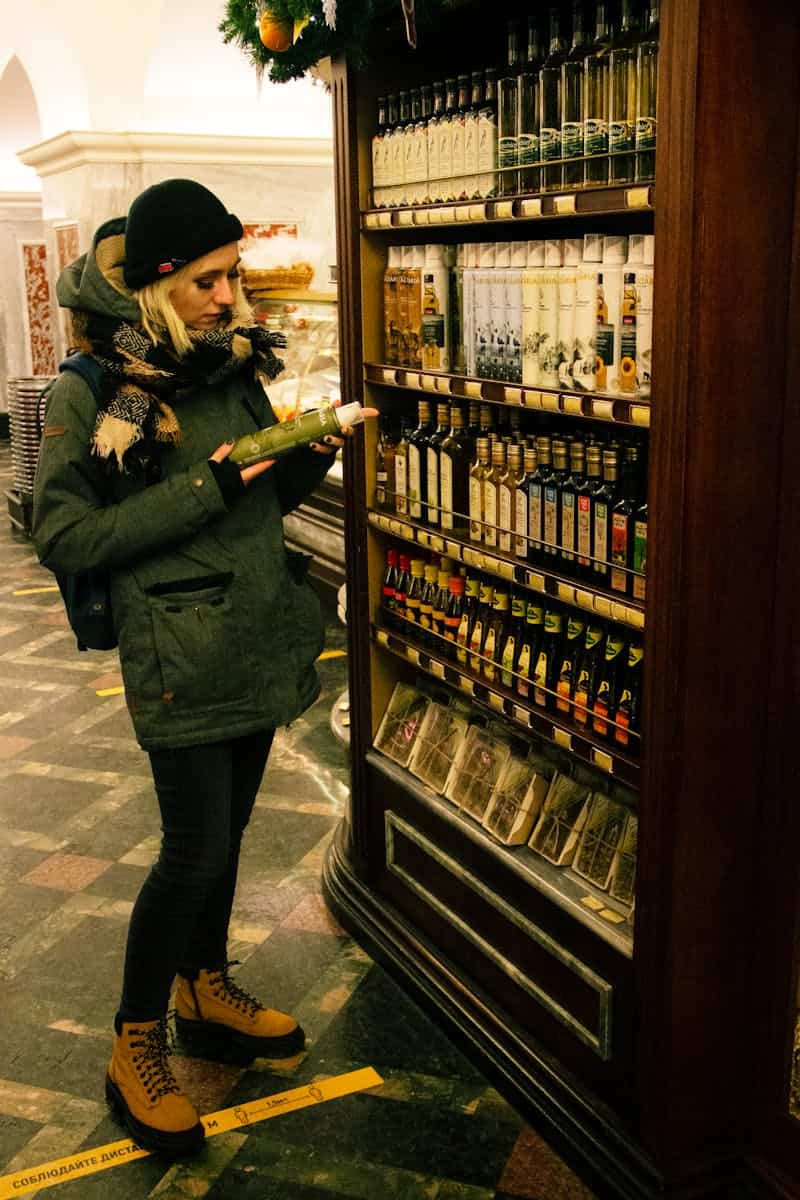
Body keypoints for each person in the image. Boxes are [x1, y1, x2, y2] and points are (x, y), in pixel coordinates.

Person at [32, 179, 371, 1158]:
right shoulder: (94, 390)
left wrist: (308, 445)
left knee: (226, 843)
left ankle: (203, 986)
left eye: (235, 278)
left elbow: (257, 491)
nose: (231, 300)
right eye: (211, 281)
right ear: (156, 284)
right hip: (179, 654)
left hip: (259, 637)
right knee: (192, 853)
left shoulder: (223, 369)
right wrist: (211, 484)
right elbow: (66, 531)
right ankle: (135, 1043)